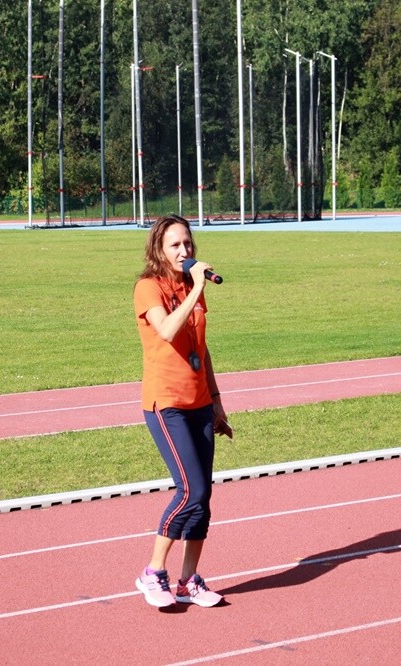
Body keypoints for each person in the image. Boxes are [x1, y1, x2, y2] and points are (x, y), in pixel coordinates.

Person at [132, 214, 232, 609]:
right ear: (159, 249)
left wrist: (218, 402)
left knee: (203, 497)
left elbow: (200, 348)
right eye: (175, 245)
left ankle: (189, 579)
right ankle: (152, 572)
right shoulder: (147, 287)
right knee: (190, 489)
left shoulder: (192, 287)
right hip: (166, 402)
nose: (184, 251)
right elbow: (168, 330)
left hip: (199, 402)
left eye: (188, 244)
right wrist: (194, 288)